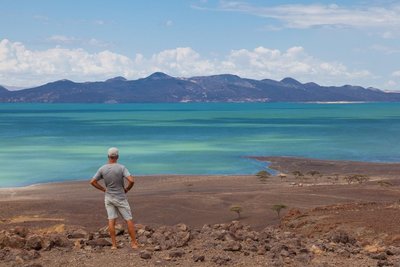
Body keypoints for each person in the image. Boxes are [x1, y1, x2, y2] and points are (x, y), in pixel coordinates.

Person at [90, 147, 138, 249]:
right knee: (128, 219)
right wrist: (127, 189)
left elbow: (92, 182)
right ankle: (134, 243)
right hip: (121, 197)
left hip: (109, 198)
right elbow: (132, 181)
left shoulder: (102, 168)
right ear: (117, 157)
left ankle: (114, 245)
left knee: (111, 220)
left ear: (108, 156)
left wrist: (103, 189)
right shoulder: (122, 168)